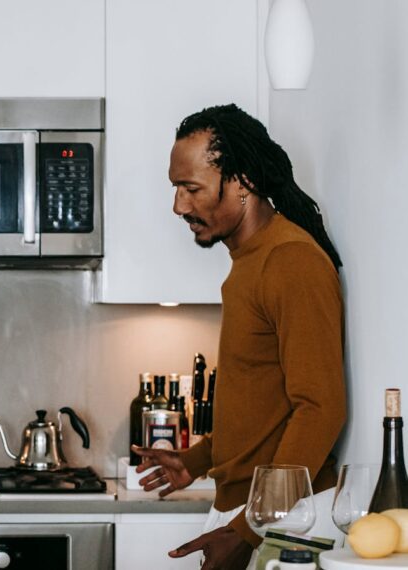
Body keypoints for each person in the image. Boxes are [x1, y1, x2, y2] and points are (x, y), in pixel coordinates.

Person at [133, 104, 347, 569]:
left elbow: (320, 408)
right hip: (251, 509)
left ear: (243, 181)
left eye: (191, 188)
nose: (179, 206)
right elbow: (262, 404)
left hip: (282, 521)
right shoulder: (249, 260)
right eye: (176, 188)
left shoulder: (291, 261)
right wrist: (195, 460)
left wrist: (250, 530)